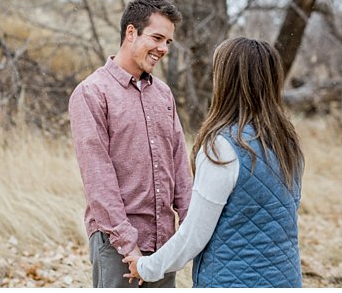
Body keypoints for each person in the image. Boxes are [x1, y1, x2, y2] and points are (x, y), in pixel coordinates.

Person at [124, 38, 304, 288]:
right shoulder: (286, 142)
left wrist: (146, 267)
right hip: (286, 280)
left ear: (227, 81)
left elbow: (194, 236)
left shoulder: (223, 147)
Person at [69, 0, 191, 288]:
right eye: (157, 38)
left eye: (168, 42)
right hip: (117, 247)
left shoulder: (163, 94)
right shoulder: (92, 93)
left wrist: (189, 227)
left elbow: (179, 164)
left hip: (165, 243)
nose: (163, 49)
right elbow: (99, 179)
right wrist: (129, 247)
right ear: (131, 32)